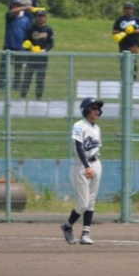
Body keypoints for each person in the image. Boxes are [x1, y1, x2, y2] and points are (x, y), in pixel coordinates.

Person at [61, 97, 104, 246]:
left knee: (91, 201)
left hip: (96, 162)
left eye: (98, 108)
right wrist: (86, 166)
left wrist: (93, 166)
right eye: (93, 108)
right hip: (82, 165)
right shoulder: (79, 125)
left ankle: (85, 234)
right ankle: (67, 226)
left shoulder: (97, 128)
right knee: (83, 204)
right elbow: (79, 147)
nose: (97, 111)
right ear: (86, 110)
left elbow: (96, 147)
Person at [0, 0, 32, 89]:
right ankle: (1, 84)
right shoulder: (9, 16)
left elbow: (28, 33)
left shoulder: (26, 19)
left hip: (20, 46)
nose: (16, 7)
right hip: (9, 45)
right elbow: (12, 12)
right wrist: (25, 8)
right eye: (14, 5)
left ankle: (16, 85)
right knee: (4, 66)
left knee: (18, 68)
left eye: (18, 5)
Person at [20, 10, 54, 100]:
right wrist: (31, 49)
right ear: (35, 18)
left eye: (42, 16)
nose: (40, 18)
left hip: (42, 59)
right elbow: (26, 42)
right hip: (31, 58)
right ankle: (22, 98)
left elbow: (51, 43)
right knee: (27, 79)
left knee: (40, 80)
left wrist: (44, 50)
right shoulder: (30, 28)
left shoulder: (48, 30)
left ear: (45, 18)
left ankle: (38, 99)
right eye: (39, 16)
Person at [112, 2, 139, 82]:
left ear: (132, 10)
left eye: (129, 9)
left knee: (133, 61)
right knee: (123, 61)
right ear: (123, 10)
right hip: (123, 43)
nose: (128, 10)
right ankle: (124, 79)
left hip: (133, 43)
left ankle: (133, 79)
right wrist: (122, 32)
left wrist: (133, 31)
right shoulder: (120, 19)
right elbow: (114, 31)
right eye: (126, 9)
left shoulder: (137, 19)